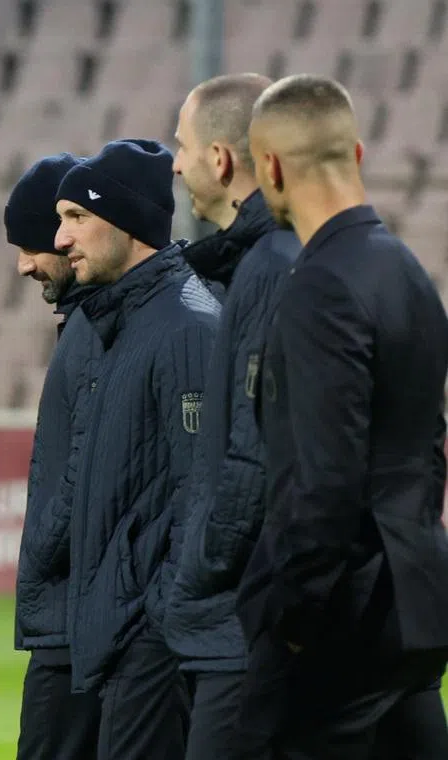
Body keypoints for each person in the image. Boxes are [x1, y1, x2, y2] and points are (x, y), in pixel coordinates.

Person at [237, 73, 448, 759]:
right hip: (410, 608)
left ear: (268, 166)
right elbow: (426, 446)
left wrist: (294, 613)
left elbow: (324, 475)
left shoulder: (321, 285)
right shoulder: (407, 271)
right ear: (355, 155)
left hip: (341, 623)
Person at [48, 139, 219, 759]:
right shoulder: (123, 323)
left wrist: (156, 616)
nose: (60, 240)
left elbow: (206, 493)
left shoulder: (187, 326)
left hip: (154, 638)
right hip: (123, 627)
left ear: (126, 223)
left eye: (76, 218)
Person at [165, 73, 301, 760]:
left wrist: (202, 565)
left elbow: (250, 457)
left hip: (241, 622)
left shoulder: (267, 268)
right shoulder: (267, 261)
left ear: (221, 160)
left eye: (183, 146)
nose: (177, 163)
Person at [6, 153, 104, 760]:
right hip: (78, 614)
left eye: (30, 245)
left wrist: (43, 546)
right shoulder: (89, 324)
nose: (21, 266)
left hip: (77, 619)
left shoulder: (101, 330)